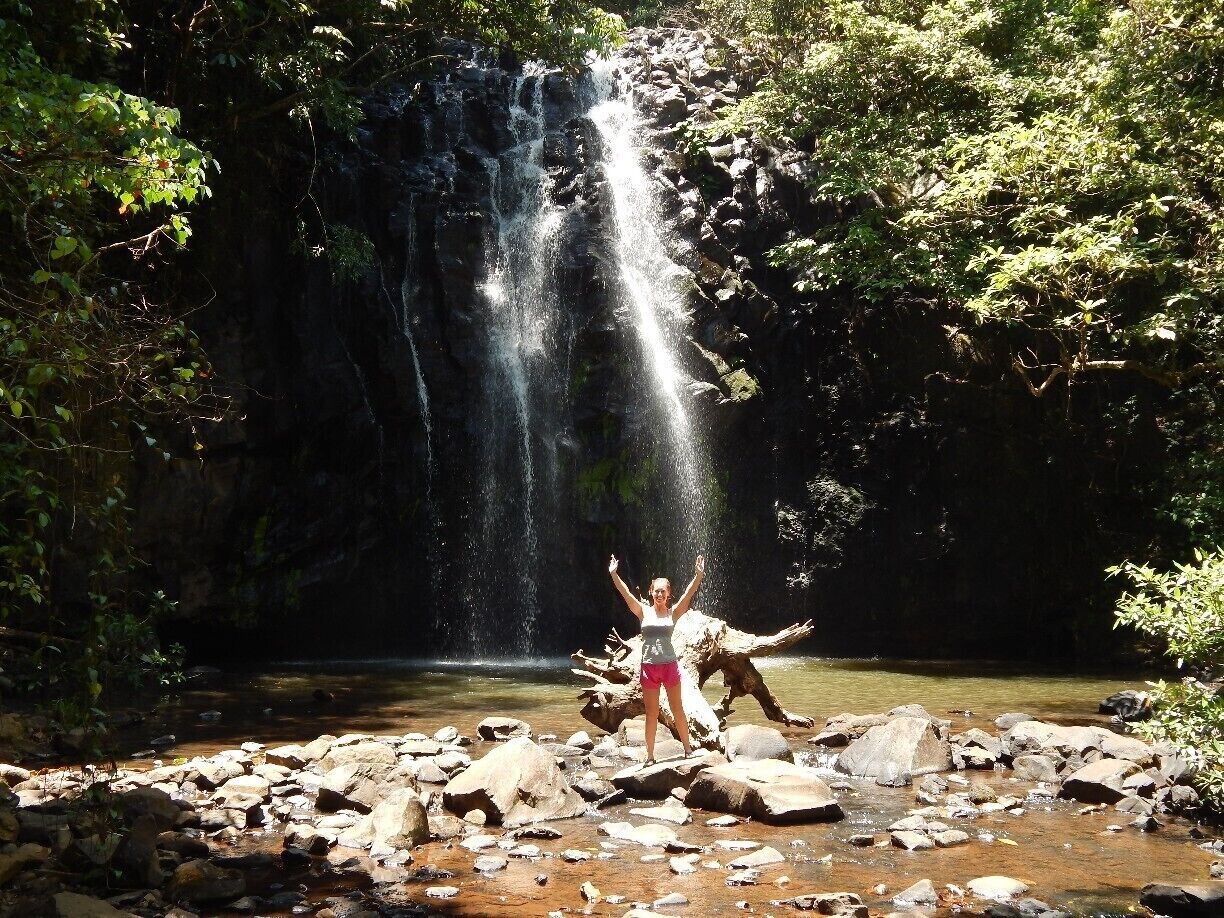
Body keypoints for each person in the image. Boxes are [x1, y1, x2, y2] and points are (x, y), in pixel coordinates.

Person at [607, 552, 705, 764]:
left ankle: (688, 749)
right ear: (651, 592)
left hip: (670, 666)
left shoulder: (673, 613)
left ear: (668, 593)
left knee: (677, 708)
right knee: (651, 714)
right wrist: (614, 574)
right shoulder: (643, 611)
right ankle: (650, 756)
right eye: (656, 591)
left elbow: (688, 594)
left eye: (663, 591)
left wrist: (698, 575)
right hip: (649, 668)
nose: (659, 594)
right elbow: (625, 593)